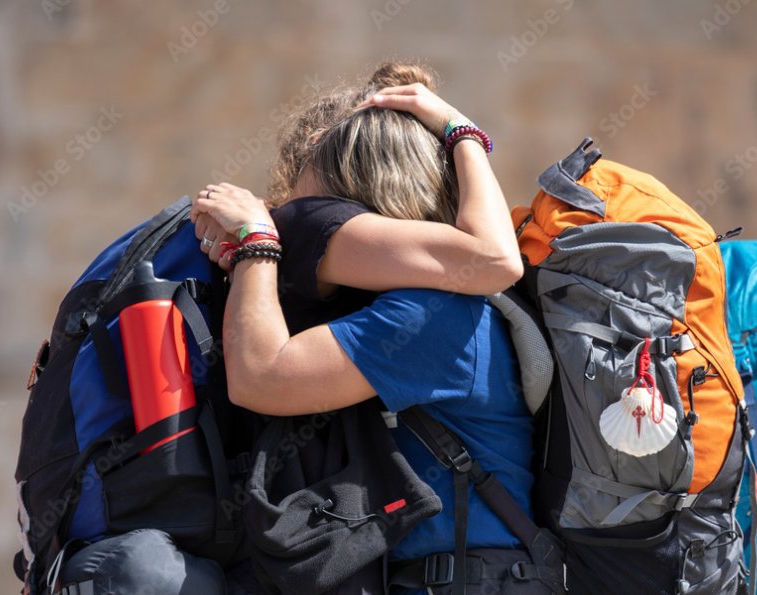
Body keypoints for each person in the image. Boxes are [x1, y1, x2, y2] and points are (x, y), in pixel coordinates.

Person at [193, 64, 550, 594]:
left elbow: (262, 377)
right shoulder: (427, 306)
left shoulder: (430, 317)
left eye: (315, 216)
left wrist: (258, 244)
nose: (298, 226)